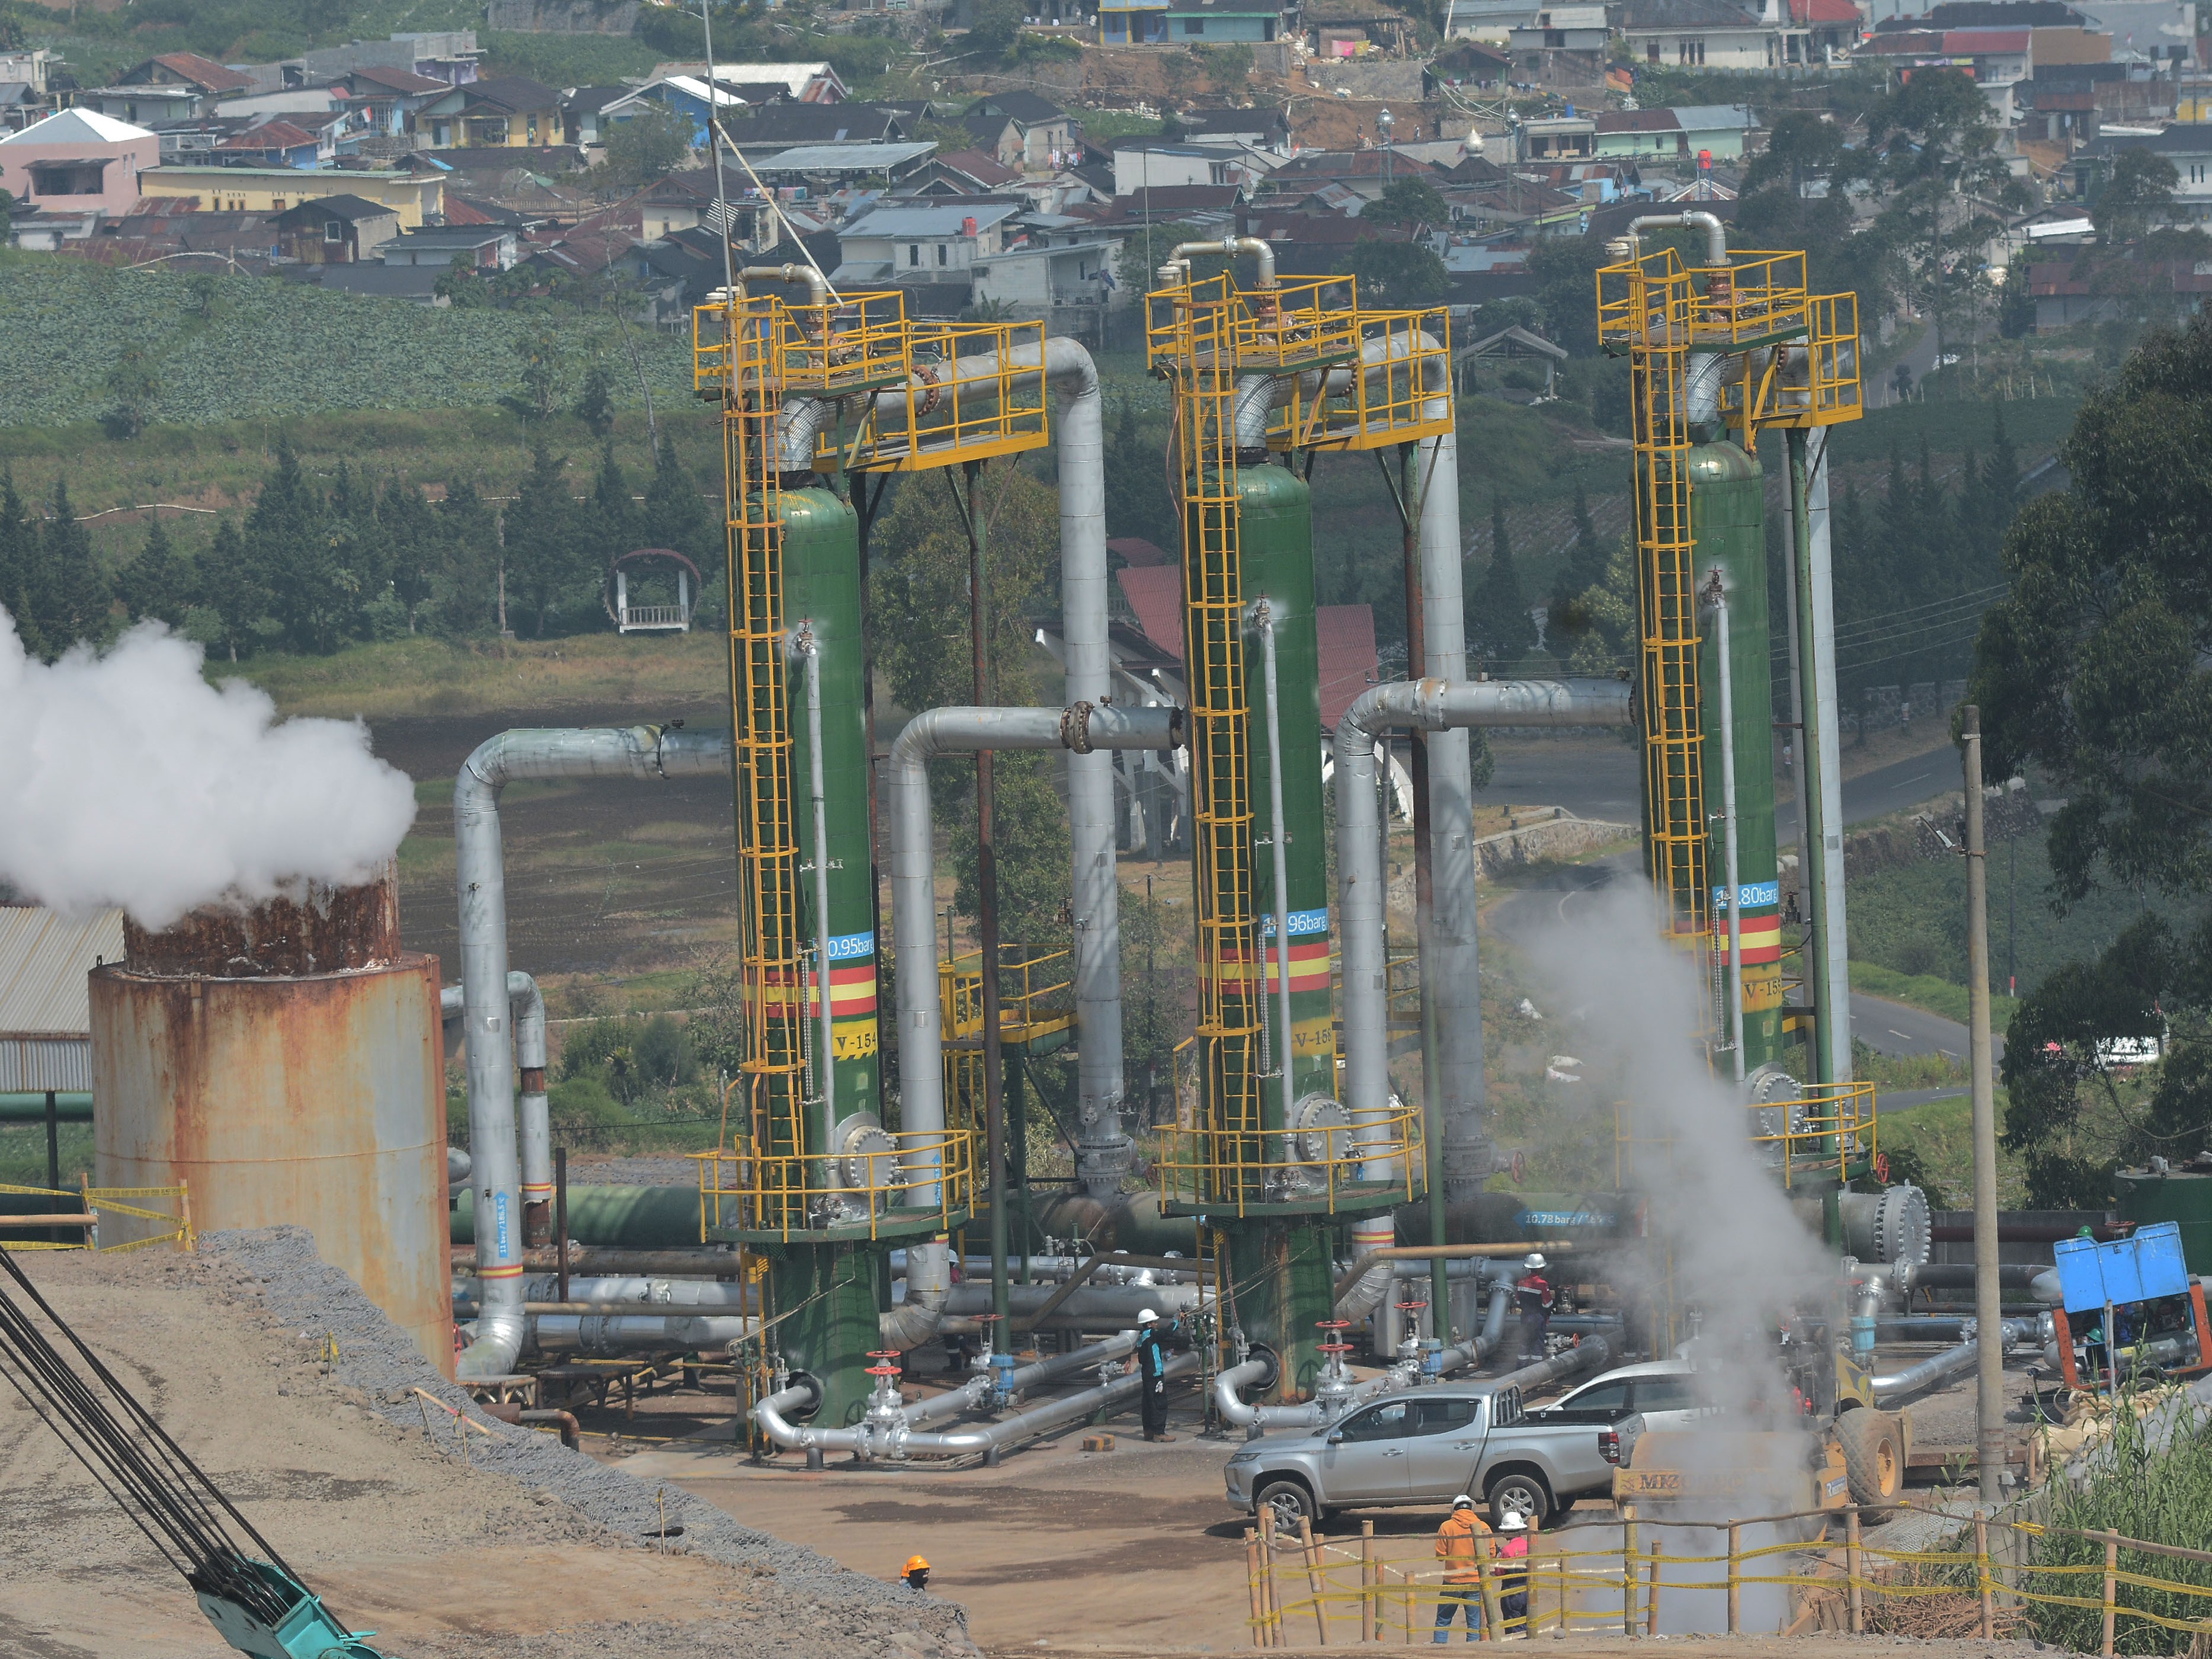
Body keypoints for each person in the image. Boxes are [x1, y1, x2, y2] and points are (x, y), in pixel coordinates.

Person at [1433, 1493, 1492, 1642]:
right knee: (1474, 1625)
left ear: (1455, 1510)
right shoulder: (1484, 1526)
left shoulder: (1447, 1527)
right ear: (1471, 1509)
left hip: (1453, 1580)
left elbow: (1440, 1556)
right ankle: (1473, 1651)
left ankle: (1439, 1650)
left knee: (1443, 1620)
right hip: (1476, 1580)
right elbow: (1491, 1553)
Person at [1134, 1307, 1184, 1442]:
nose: (1157, 1324)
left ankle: (1148, 1432)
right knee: (1159, 1402)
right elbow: (1167, 1333)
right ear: (1149, 1325)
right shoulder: (1152, 1335)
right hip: (1155, 1375)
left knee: (1148, 1403)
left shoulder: (1143, 1338)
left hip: (1147, 1374)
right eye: (1155, 1322)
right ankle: (1159, 1433)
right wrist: (1176, 1320)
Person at [1495, 1511, 1531, 1635]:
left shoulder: (1507, 1550)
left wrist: (1497, 1558)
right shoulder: (1529, 1545)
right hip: (1528, 1588)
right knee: (1528, 1622)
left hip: (1511, 1591)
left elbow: (1499, 1572)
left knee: (1513, 1626)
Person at [1514, 1254, 1554, 1365]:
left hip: (1525, 1317)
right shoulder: (1542, 1284)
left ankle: (1521, 1368)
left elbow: (1518, 1302)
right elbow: (1548, 1304)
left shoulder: (1521, 1283)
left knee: (1525, 1342)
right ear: (1539, 1268)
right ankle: (1535, 1369)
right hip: (1538, 1318)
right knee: (1537, 1343)